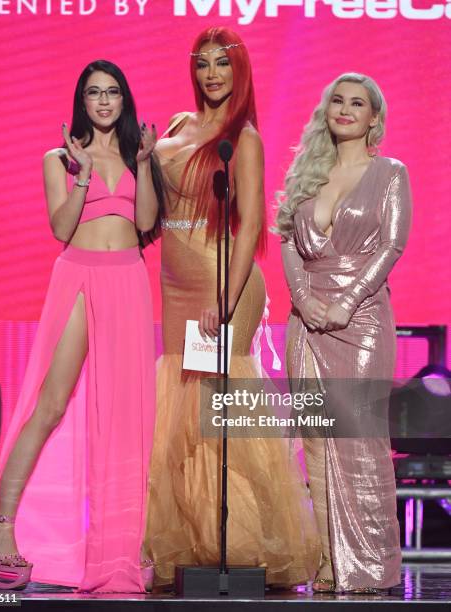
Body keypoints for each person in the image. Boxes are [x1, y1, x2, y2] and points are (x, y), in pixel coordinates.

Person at [0, 59, 163, 593]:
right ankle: (0, 529)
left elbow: (145, 225)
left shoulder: (139, 154)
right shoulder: (59, 157)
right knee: (51, 404)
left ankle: (118, 549)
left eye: (113, 92)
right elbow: (60, 227)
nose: (103, 101)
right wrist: (79, 177)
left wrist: (144, 164)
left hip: (128, 281)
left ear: (124, 100)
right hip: (78, 276)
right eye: (94, 93)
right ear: (82, 100)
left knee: (124, 416)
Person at [143, 27, 320, 589]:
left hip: (225, 288)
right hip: (175, 289)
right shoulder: (175, 126)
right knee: (182, 415)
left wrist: (227, 294)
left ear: (239, 72)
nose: (212, 73)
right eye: (203, 63)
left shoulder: (243, 138)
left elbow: (250, 228)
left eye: (223, 63)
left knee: (216, 413)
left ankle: (235, 545)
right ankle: (192, 545)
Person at [274, 72, 412, 593]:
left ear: (374, 117)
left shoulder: (390, 172)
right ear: (326, 110)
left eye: (358, 103)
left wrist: (346, 303)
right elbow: (288, 237)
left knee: (358, 438)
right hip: (305, 320)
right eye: (338, 100)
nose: (346, 109)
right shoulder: (308, 171)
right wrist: (304, 301)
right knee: (315, 440)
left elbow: (391, 246)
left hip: (363, 320)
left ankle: (371, 566)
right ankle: (332, 563)